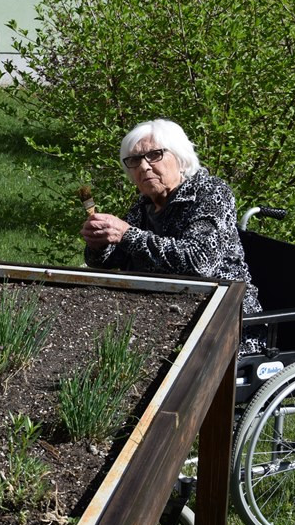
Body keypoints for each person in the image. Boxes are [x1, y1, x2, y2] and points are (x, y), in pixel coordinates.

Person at [80, 118, 265, 354]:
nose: (144, 166)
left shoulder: (210, 193)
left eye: (154, 155)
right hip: (162, 315)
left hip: (222, 320)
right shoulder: (144, 205)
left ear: (180, 158)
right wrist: (99, 244)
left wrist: (126, 234)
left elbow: (199, 263)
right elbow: (108, 261)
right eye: (134, 160)